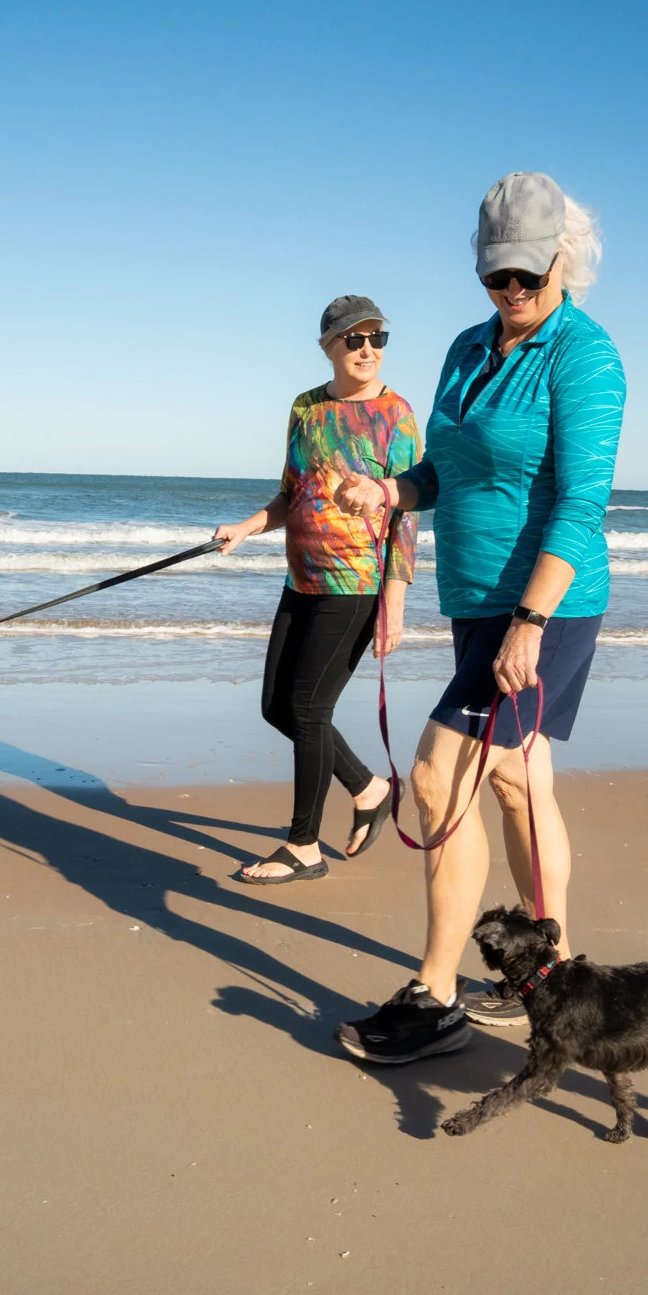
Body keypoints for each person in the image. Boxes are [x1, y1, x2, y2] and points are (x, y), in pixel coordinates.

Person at [330, 173, 626, 1063]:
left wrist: (531, 621)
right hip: (476, 599)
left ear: (562, 262)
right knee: (515, 776)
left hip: (548, 603)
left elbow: (582, 502)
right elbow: (443, 470)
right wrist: (390, 489)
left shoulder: (586, 356)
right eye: (497, 277)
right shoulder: (468, 347)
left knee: (439, 772)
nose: (512, 294)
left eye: (528, 278)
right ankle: (553, 974)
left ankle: (437, 993)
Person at [215, 295, 421, 885]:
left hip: (355, 583)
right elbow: (293, 493)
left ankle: (303, 846)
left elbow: (406, 515)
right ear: (328, 345)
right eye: (353, 339)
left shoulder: (396, 414)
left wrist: (396, 602)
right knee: (277, 706)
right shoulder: (305, 408)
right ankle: (369, 787)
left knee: (308, 708)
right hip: (300, 577)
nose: (366, 349)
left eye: (377, 338)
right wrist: (247, 527)